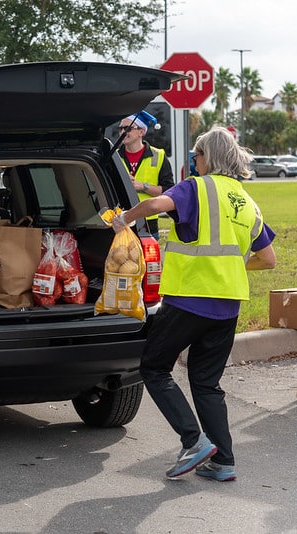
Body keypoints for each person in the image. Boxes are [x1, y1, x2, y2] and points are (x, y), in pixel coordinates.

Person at [112, 126, 276, 481]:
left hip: (189, 299)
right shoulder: (246, 201)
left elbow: (156, 204)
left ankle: (193, 441)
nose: (194, 162)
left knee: (154, 367)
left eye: (195, 156)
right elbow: (268, 259)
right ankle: (224, 461)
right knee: (206, 383)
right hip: (228, 305)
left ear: (206, 158)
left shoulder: (196, 187)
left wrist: (125, 218)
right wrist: (229, 265)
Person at [117, 114, 175, 240]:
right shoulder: (114, 157)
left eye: (128, 128)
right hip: (120, 222)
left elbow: (169, 191)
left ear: (141, 132)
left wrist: (143, 186)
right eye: (120, 128)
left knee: (149, 260)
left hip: (148, 224)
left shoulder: (158, 156)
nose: (122, 132)